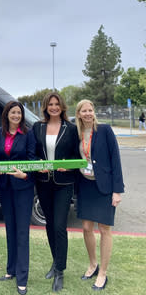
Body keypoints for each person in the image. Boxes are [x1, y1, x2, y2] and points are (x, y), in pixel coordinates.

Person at [32, 92, 79, 292]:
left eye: (56, 104)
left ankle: (60, 271)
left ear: (62, 107)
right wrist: (37, 164)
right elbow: (32, 153)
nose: (53, 107)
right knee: (50, 225)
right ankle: (55, 261)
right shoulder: (37, 127)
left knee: (60, 226)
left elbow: (77, 155)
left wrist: (68, 167)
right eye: (50, 104)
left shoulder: (71, 129)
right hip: (43, 183)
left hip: (63, 183)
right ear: (45, 107)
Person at [75, 99, 124, 291]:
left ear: (93, 111)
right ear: (78, 114)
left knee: (104, 229)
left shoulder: (105, 130)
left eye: (90, 109)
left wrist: (117, 190)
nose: (88, 113)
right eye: (84, 111)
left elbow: (115, 159)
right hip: (85, 185)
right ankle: (93, 264)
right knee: (86, 227)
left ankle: (103, 272)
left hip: (104, 186)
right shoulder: (77, 133)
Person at [0, 101, 36, 295]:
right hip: (6, 187)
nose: (16, 115)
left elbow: (32, 159)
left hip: (23, 187)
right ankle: (11, 270)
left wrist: (25, 174)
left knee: (21, 232)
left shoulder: (28, 134)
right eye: (13, 112)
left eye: (19, 113)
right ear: (7, 114)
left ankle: (22, 277)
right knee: (10, 229)